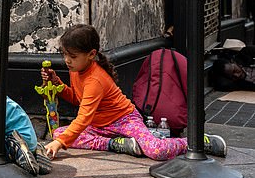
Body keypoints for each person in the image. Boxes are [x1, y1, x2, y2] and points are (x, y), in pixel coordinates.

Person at [41, 24, 228, 161]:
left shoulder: (95, 79)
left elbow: (83, 118)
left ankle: (197, 142)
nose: (67, 60)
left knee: (156, 151)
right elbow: (77, 99)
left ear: (91, 54)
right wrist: (57, 83)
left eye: (72, 56)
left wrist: (60, 144)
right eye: (64, 54)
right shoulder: (77, 70)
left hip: (124, 120)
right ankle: (116, 144)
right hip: (99, 127)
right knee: (58, 133)